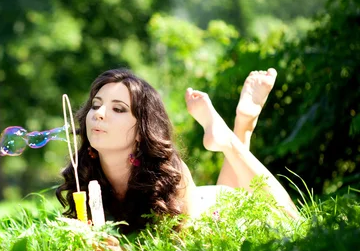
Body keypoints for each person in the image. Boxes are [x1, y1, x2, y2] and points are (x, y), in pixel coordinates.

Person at [56, 68, 300, 237]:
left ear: (142, 131)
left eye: (118, 109)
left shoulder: (167, 174)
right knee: (233, 192)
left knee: (290, 221)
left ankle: (228, 138)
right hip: (208, 199)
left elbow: (177, 247)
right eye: (96, 105)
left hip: (209, 212)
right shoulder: (85, 175)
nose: (98, 113)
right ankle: (244, 121)